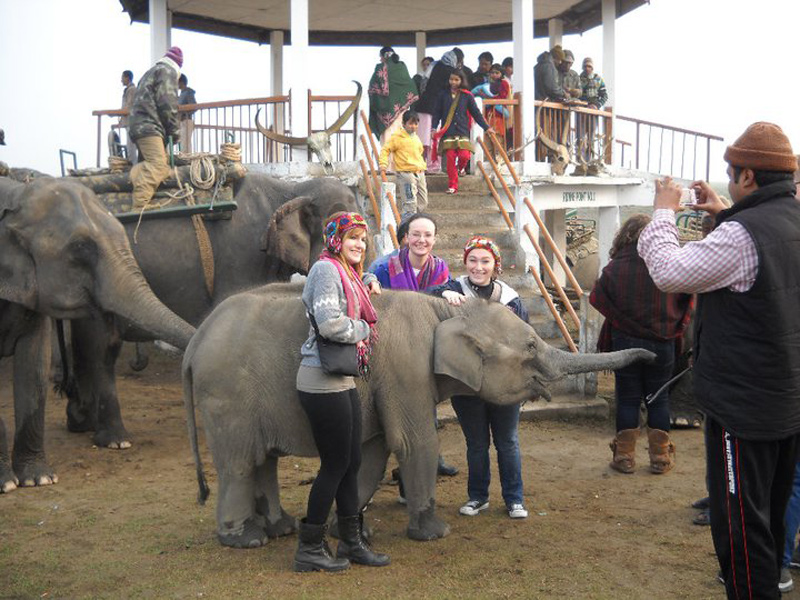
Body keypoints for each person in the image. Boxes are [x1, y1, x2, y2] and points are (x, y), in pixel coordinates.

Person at [637, 122, 800, 599]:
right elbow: (760, 253)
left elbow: (669, 272)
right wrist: (726, 211)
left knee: (741, 530)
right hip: (785, 400)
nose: (728, 179)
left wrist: (663, 213)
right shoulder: (790, 219)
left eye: (732, 172)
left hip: (741, 409)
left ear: (749, 176)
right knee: (767, 517)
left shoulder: (742, 237)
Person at [294, 211, 389, 573]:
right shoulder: (324, 270)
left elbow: (349, 287)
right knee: (335, 464)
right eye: (351, 238)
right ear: (334, 239)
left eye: (363, 240)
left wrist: (367, 278)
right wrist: (364, 328)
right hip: (320, 378)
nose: (358, 244)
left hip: (342, 378)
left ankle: (351, 542)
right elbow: (330, 322)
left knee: (351, 462)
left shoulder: (344, 271)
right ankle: (309, 548)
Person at [429, 236, 529, 520]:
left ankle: (514, 499)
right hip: (466, 383)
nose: (478, 266)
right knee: (476, 443)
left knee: (507, 441)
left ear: (495, 265)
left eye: (485, 261)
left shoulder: (511, 299)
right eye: (472, 260)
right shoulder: (454, 288)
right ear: (465, 262)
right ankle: (477, 497)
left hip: (504, 382)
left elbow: (525, 342)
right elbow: (427, 296)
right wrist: (444, 294)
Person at [589, 214, 693, 474]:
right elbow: (688, 299)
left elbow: (597, 297)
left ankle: (624, 457)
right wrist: (675, 327)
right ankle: (660, 459)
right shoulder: (669, 265)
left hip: (625, 342)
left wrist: (620, 320)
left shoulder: (616, 267)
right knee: (658, 399)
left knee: (627, 399)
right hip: (663, 342)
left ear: (625, 235)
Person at [367, 213, 456, 489]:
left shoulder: (440, 268)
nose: (422, 240)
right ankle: (382, 465)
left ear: (434, 239)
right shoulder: (383, 267)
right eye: (416, 234)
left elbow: (440, 303)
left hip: (425, 344)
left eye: (428, 235)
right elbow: (369, 296)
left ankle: (429, 457)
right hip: (390, 347)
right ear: (405, 237)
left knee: (426, 404)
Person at [128, 46, 182, 210]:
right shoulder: (167, 72)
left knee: (152, 163)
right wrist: (175, 131)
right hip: (149, 127)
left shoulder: (151, 72)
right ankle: (140, 205)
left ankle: (132, 177)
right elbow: (167, 103)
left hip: (139, 125)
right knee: (159, 165)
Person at [431, 69, 493, 195]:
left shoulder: (467, 95)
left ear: (461, 80)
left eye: (456, 80)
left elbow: (476, 113)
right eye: (451, 79)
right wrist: (433, 128)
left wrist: (487, 127)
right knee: (450, 158)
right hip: (448, 132)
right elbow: (437, 112)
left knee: (465, 155)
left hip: (462, 131)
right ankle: (453, 185)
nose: (453, 82)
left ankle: (461, 168)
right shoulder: (442, 94)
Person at [414, 48, 461, 174]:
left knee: (421, 138)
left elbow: (424, 83)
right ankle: (433, 167)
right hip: (437, 109)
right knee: (434, 138)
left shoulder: (434, 65)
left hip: (423, 105)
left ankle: (419, 165)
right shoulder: (452, 72)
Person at [378, 111, 428, 216]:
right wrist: (383, 165)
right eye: (410, 124)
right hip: (406, 173)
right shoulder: (396, 137)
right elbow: (385, 150)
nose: (413, 126)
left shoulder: (416, 137)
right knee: (410, 202)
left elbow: (419, 152)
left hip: (419, 172)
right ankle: (408, 223)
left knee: (423, 202)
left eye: (415, 124)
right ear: (404, 124)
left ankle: (416, 220)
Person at [367, 46, 419, 142]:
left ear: (384, 56)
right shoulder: (402, 67)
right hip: (401, 111)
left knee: (388, 140)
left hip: (385, 111)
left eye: (380, 56)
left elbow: (372, 89)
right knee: (401, 138)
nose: (380, 59)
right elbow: (410, 86)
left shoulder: (381, 68)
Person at [471, 64, 512, 153]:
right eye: (492, 73)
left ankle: (499, 164)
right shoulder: (486, 85)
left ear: (501, 74)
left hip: (498, 115)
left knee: (497, 141)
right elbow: (474, 93)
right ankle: (487, 164)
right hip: (487, 115)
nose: (494, 75)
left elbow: (501, 98)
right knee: (487, 141)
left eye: (497, 73)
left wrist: (485, 97)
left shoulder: (504, 83)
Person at [120, 70, 137, 161]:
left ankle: (133, 165)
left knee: (131, 145)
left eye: (122, 77)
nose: (121, 80)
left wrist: (120, 112)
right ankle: (132, 163)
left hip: (131, 120)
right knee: (129, 145)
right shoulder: (128, 90)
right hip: (127, 120)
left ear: (127, 78)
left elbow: (129, 106)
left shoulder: (132, 90)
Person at [177, 74, 197, 153]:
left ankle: (187, 160)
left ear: (181, 82)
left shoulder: (188, 92)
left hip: (186, 120)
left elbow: (194, 106)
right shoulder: (182, 94)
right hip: (182, 121)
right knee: (182, 142)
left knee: (185, 143)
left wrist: (184, 112)